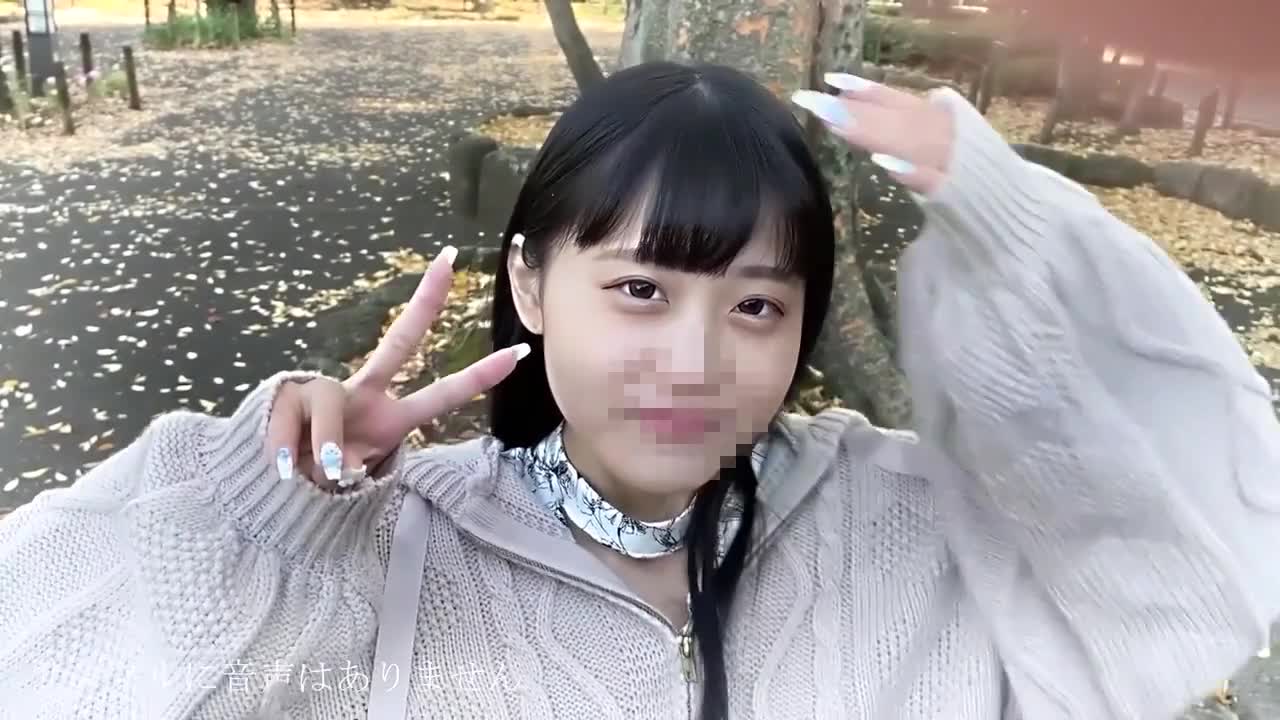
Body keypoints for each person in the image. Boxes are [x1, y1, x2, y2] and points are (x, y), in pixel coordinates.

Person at [0, 61, 1276, 720]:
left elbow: (1185, 561)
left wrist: (1010, 225)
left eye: (756, 305)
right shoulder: (390, 550)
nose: (697, 360)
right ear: (531, 281)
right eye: (640, 289)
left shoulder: (904, 524)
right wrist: (264, 510)